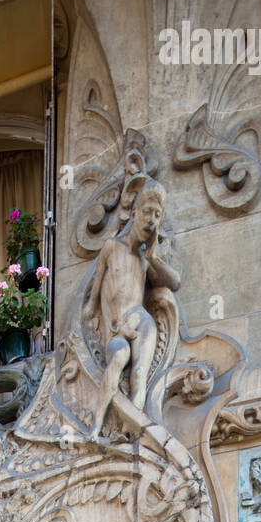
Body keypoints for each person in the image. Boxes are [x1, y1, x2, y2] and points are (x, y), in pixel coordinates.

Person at [85, 178, 180, 436]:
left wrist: (153, 258)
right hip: (117, 328)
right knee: (117, 357)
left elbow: (175, 281)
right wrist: (92, 310)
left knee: (139, 374)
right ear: (135, 213)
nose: (152, 219)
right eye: (148, 212)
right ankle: (96, 424)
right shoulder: (111, 248)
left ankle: (131, 431)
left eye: (157, 215)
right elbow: (95, 289)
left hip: (140, 319)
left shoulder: (145, 257)